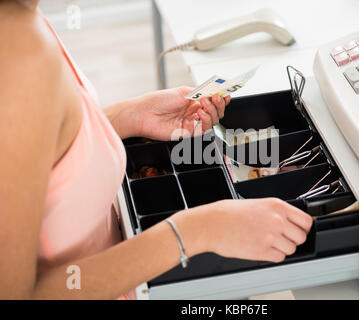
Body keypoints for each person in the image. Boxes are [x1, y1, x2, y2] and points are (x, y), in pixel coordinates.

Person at [0, 0, 313, 299]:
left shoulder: (23, 19)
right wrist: (197, 231)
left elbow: (40, 151)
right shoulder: (19, 57)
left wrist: (127, 116)